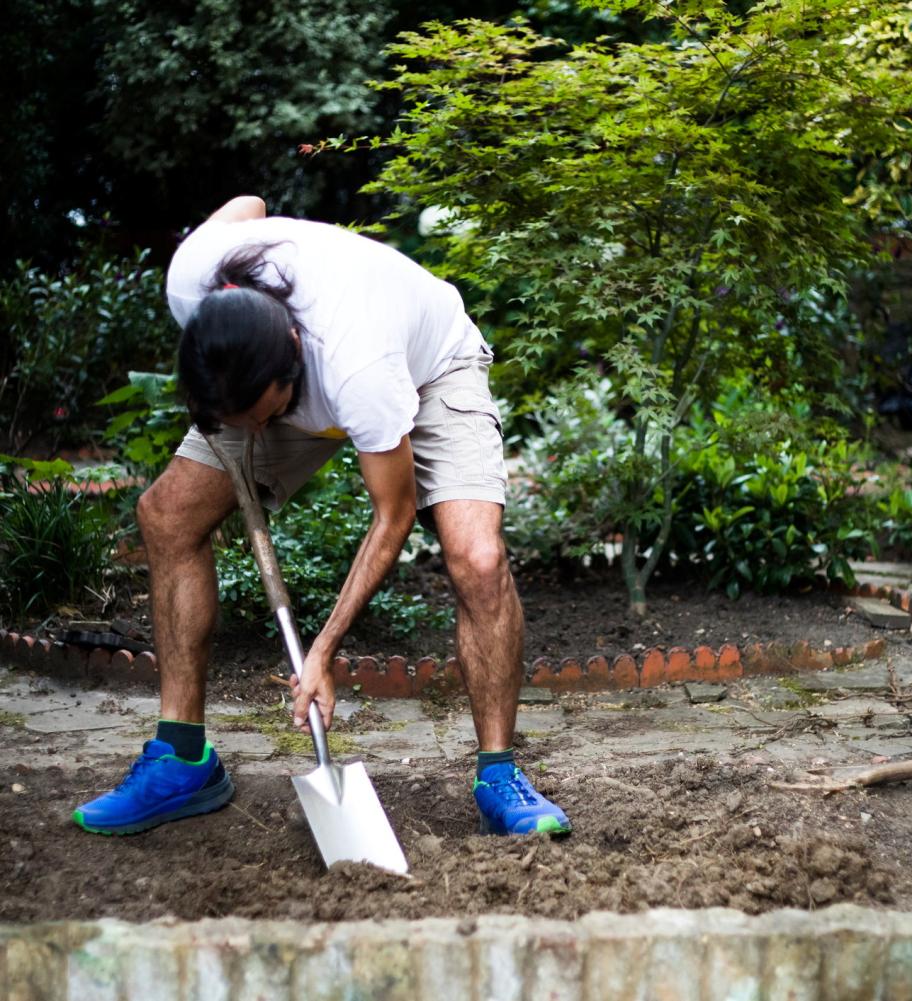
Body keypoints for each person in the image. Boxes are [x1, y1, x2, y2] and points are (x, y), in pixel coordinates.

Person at [72, 195, 571, 838]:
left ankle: (499, 775)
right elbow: (248, 204)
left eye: (260, 415)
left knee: (476, 559)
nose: (253, 432)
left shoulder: (356, 363)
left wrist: (323, 653)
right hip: (289, 373)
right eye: (238, 420)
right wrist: (238, 411)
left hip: (428, 369)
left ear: (293, 353)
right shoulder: (193, 282)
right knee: (167, 515)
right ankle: (182, 759)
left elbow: (391, 516)